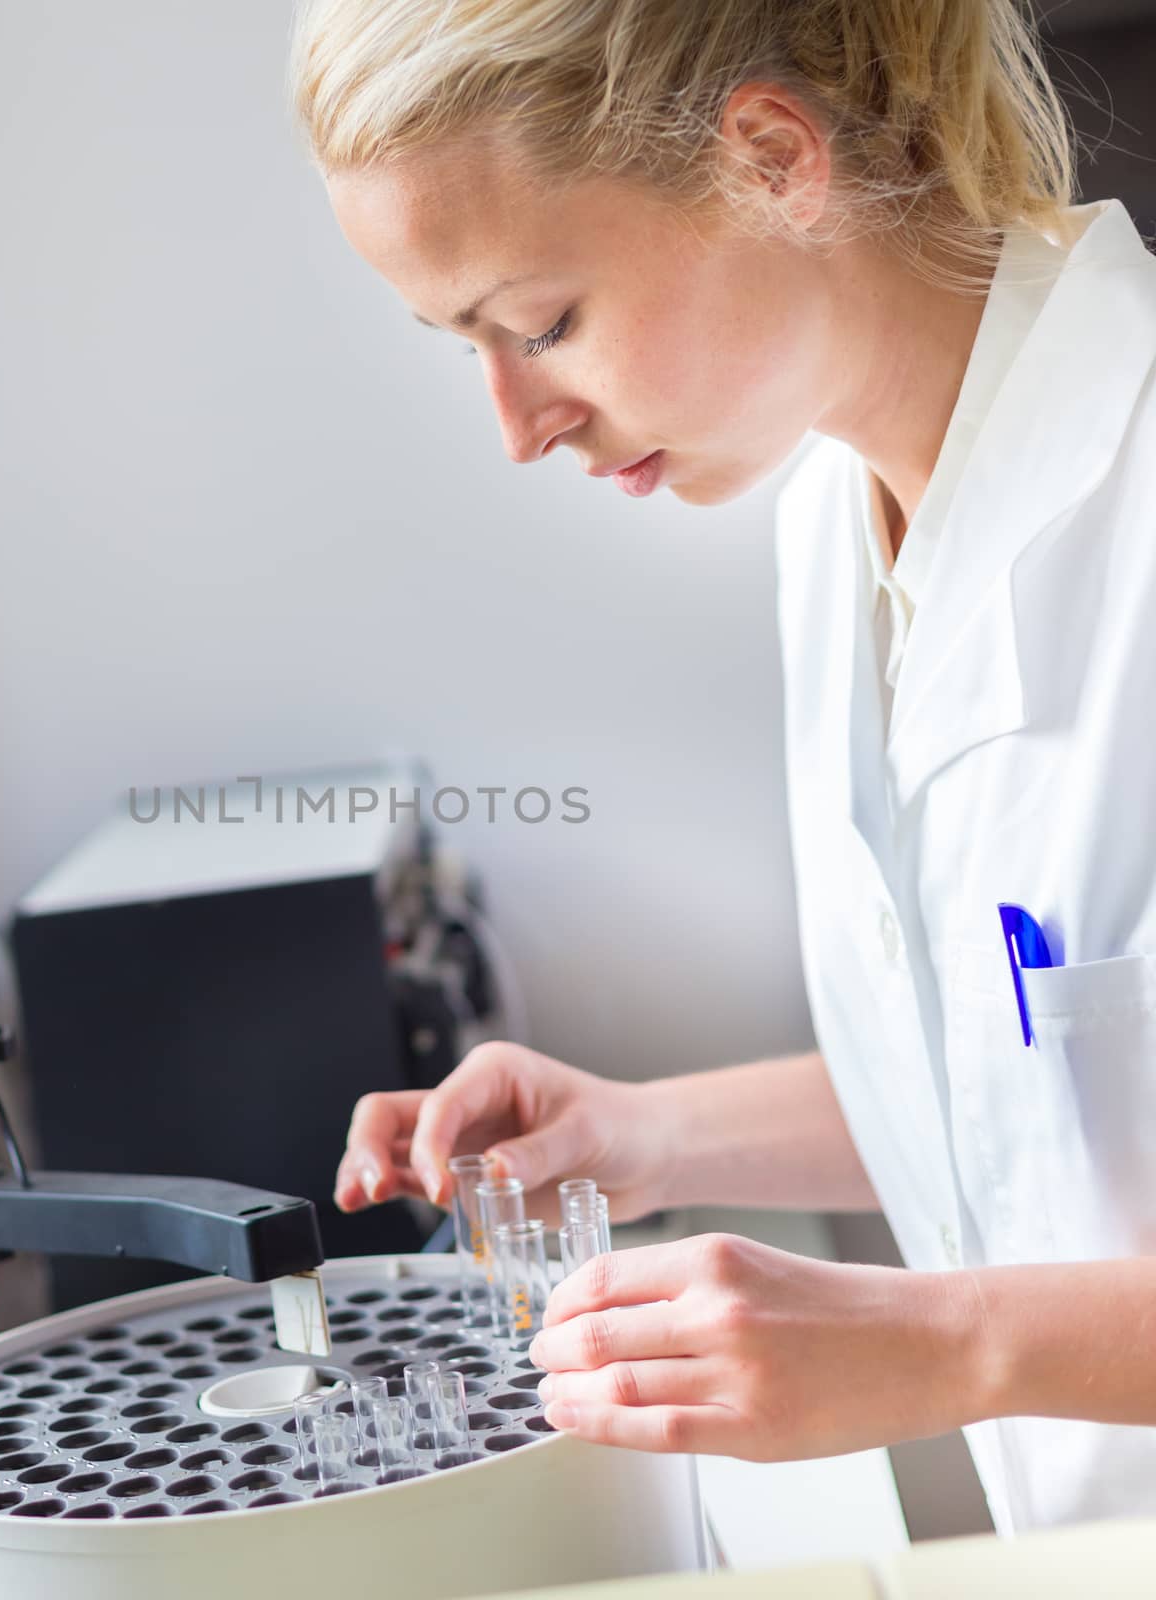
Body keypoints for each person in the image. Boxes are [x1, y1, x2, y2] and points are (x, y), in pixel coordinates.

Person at [289, 0, 1156, 1535]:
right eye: (468, 346)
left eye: (541, 322)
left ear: (769, 160)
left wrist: (945, 1345)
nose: (515, 424)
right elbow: (1039, 1073)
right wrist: (646, 1135)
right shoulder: (838, 521)